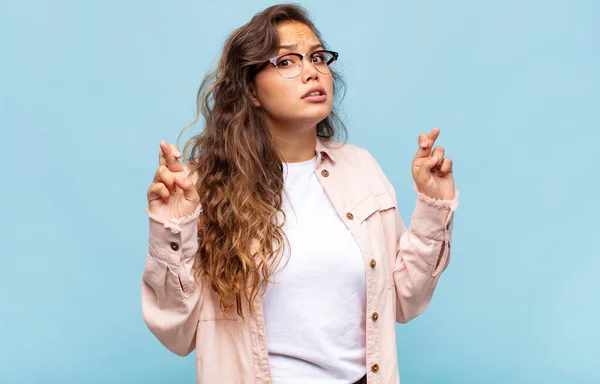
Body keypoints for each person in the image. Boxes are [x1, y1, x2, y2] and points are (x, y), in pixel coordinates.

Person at [141, 3, 458, 384]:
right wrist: (173, 227)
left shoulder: (361, 168)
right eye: (287, 62)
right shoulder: (203, 187)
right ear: (251, 90)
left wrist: (432, 206)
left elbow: (406, 300)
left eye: (318, 57)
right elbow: (175, 331)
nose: (312, 72)